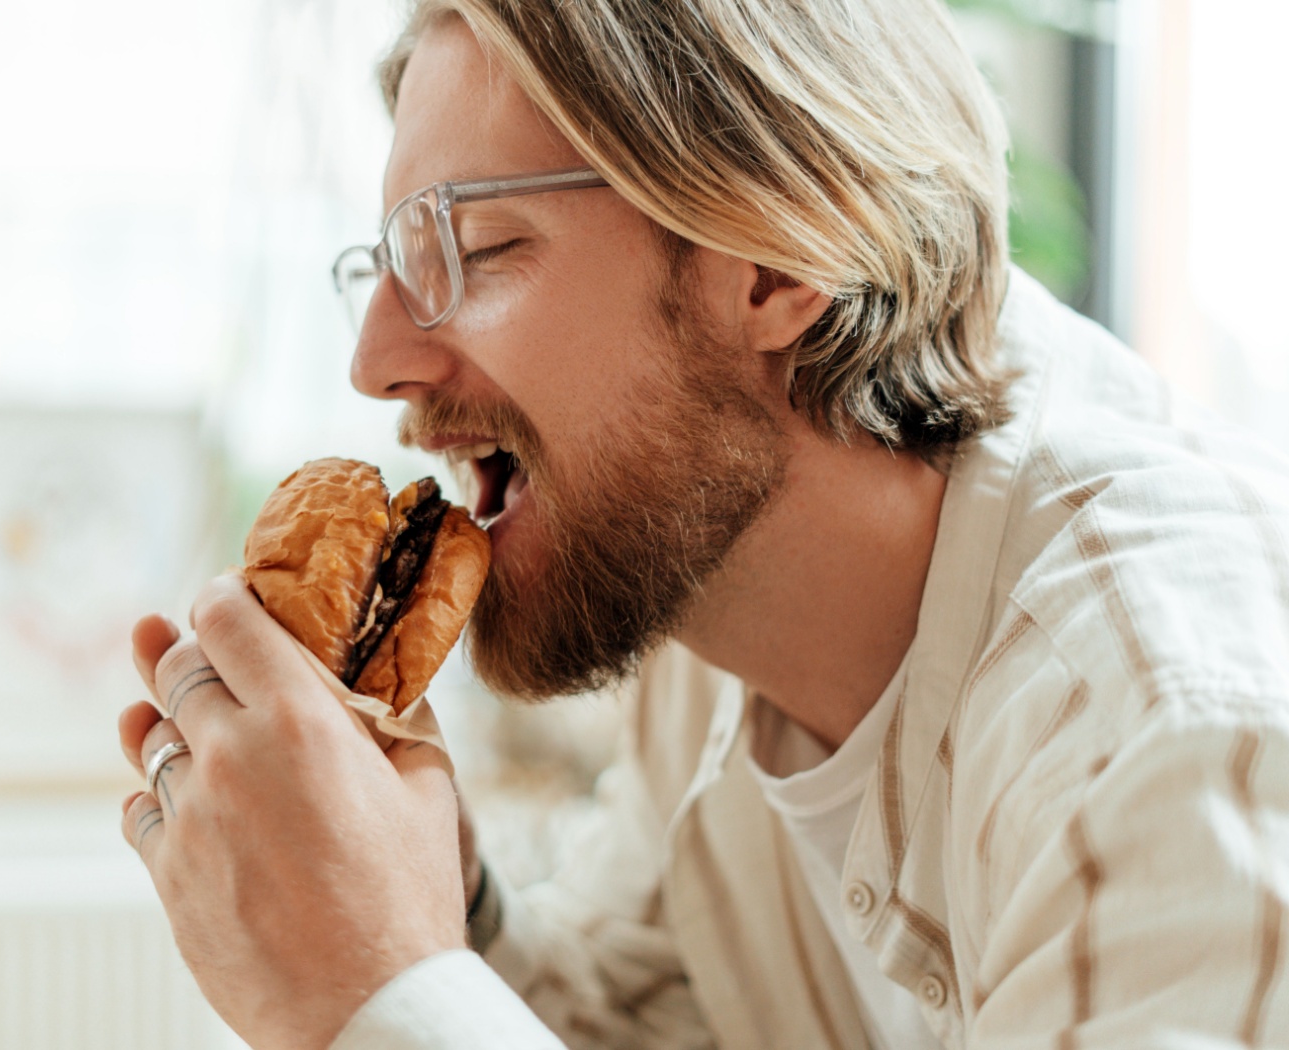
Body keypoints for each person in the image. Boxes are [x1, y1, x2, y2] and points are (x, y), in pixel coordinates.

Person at [115, 1, 1289, 1047]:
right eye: (381, 269)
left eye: (473, 250)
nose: (375, 362)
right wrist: (429, 901)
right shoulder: (709, 577)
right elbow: (641, 1009)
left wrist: (381, 988)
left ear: (779, 259)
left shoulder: (1167, 726)